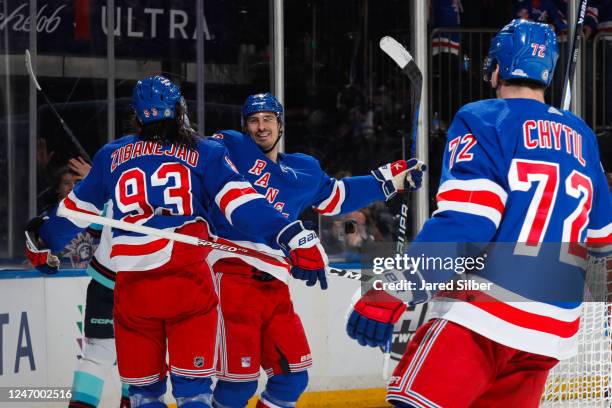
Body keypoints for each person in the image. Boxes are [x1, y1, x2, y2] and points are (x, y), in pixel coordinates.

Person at [345, 19, 611, 407]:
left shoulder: (484, 118)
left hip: (485, 316)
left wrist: (393, 289)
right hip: (551, 335)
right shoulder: (584, 138)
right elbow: (603, 244)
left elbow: (468, 225)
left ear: (497, 69)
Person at [24, 76, 329, 408]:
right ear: (180, 111)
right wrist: (292, 235)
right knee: (193, 393)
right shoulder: (204, 151)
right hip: (187, 288)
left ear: (138, 117)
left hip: (133, 293)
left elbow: (70, 215)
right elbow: (242, 205)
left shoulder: (111, 155)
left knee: (143, 396)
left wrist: (42, 242)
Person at [208, 93, 425, 408]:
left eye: (268, 119)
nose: (261, 127)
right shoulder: (230, 148)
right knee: (237, 386)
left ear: (280, 125)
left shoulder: (303, 170)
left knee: (291, 378)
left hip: (275, 284)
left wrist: (390, 182)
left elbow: (337, 196)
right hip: (231, 277)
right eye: (254, 120)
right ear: (245, 127)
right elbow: (194, 158)